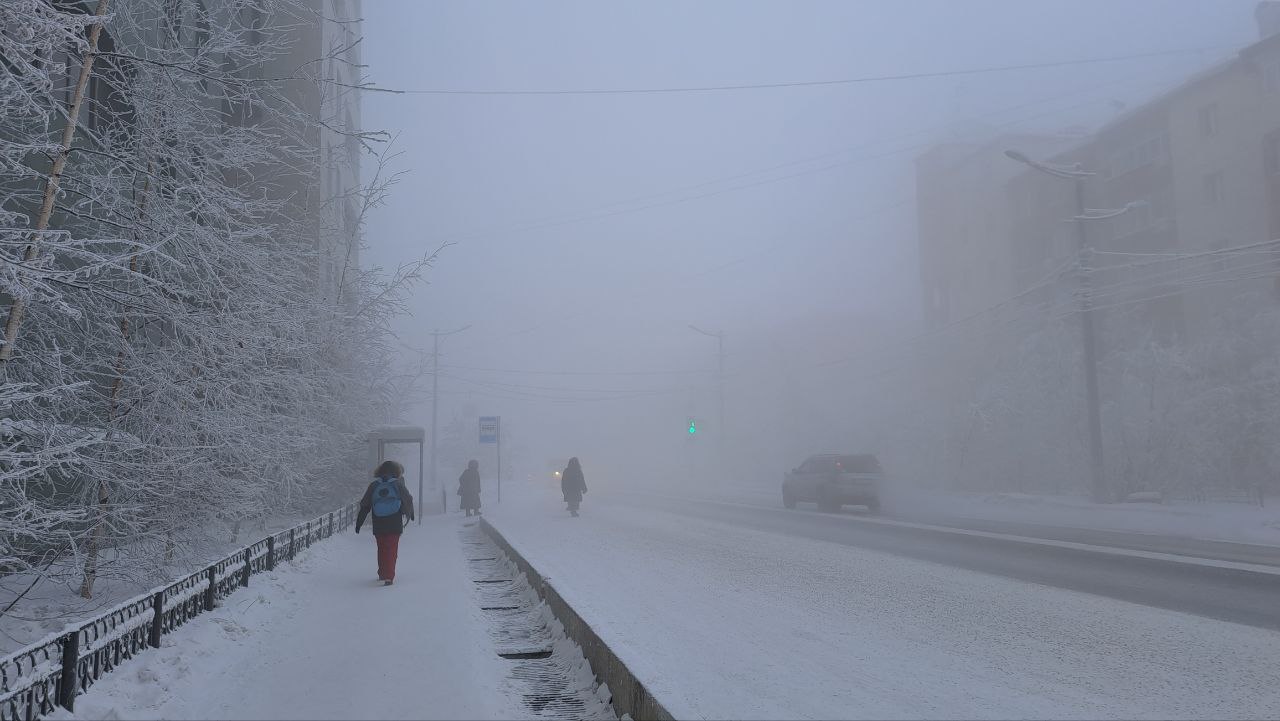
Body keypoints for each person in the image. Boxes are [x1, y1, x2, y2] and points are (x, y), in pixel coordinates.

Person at [355, 460, 414, 586]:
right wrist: (410, 514)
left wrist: (359, 522)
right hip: (394, 521)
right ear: (396, 471)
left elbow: (365, 504)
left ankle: (382, 573)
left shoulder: (374, 485)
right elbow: (408, 499)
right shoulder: (398, 484)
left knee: (381, 548)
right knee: (391, 548)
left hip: (379, 521)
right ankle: (389, 576)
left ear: (379, 471)